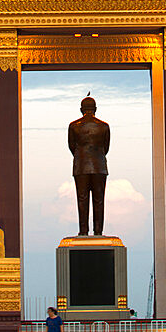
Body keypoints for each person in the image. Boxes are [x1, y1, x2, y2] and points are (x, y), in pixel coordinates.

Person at [68, 94, 110, 236]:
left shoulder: (73, 126)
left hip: (81, 166)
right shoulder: (104, 126)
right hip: (100, 166)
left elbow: (72, 146)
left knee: (82, 199)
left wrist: (83, 156)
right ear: (95, 109)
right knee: (99, 200)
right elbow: (106, 147)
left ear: (81, 110)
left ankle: (83, 231)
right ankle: (98, 232)